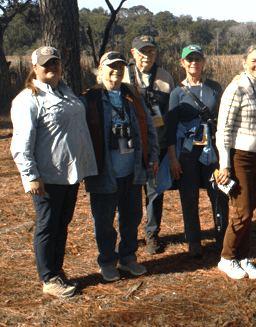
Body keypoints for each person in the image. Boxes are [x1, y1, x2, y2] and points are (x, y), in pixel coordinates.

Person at [10, 47, 97, 297]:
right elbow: (20, 144)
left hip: (70, 174)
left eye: (55, 63)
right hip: (47, 177)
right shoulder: (28, 99)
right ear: (34, 67)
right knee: (47, 225)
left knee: (62, 224)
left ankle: (57, 270)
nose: (52, 67)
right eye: (46, 64)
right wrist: (31, 176)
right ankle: (48, 279)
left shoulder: (66, 92)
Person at [81, 51, 160, 282]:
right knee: (104, 221)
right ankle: (107, 261)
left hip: (132, 171)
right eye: (111, 66)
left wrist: (153, 157)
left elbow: (149, 128)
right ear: (100, 69)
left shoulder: (132, 94)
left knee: (132, 217)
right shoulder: (89, 98)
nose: (116, 71)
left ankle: (127, 258)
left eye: (120, 67)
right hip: (104, 174)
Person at [166, 44, 228, 258]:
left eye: (198, 59)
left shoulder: (214, 88)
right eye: (189, 59)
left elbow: (224, 120)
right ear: (182, 63)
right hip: (188, 153)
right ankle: (194, 240)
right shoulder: (176, 93)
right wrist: (173, 159)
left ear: (204, 62)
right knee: (189, 197)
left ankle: (222, 238)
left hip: (212, 152)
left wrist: (225, 155)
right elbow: (170, 130)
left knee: (219, 195)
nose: (194, 63)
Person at [214, 45, 256, 279]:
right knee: (242, 210)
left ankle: (243, 257)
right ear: (244, 62)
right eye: (254, 60)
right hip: (240, 157)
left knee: (250, 209)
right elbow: (223, 129)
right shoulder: (236, 88)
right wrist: (225, 163)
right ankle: (227, 258)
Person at [123, 35, 175, 255]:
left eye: (151, 52)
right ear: (133, 54)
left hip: (158, 145)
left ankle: (152, 234)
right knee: (130, 194)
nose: (147, 56)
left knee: (155, 192)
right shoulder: (123, 74)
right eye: (142, 52)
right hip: (131, 147)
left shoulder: (165, 78)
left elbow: (171, 114)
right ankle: (128, 236)